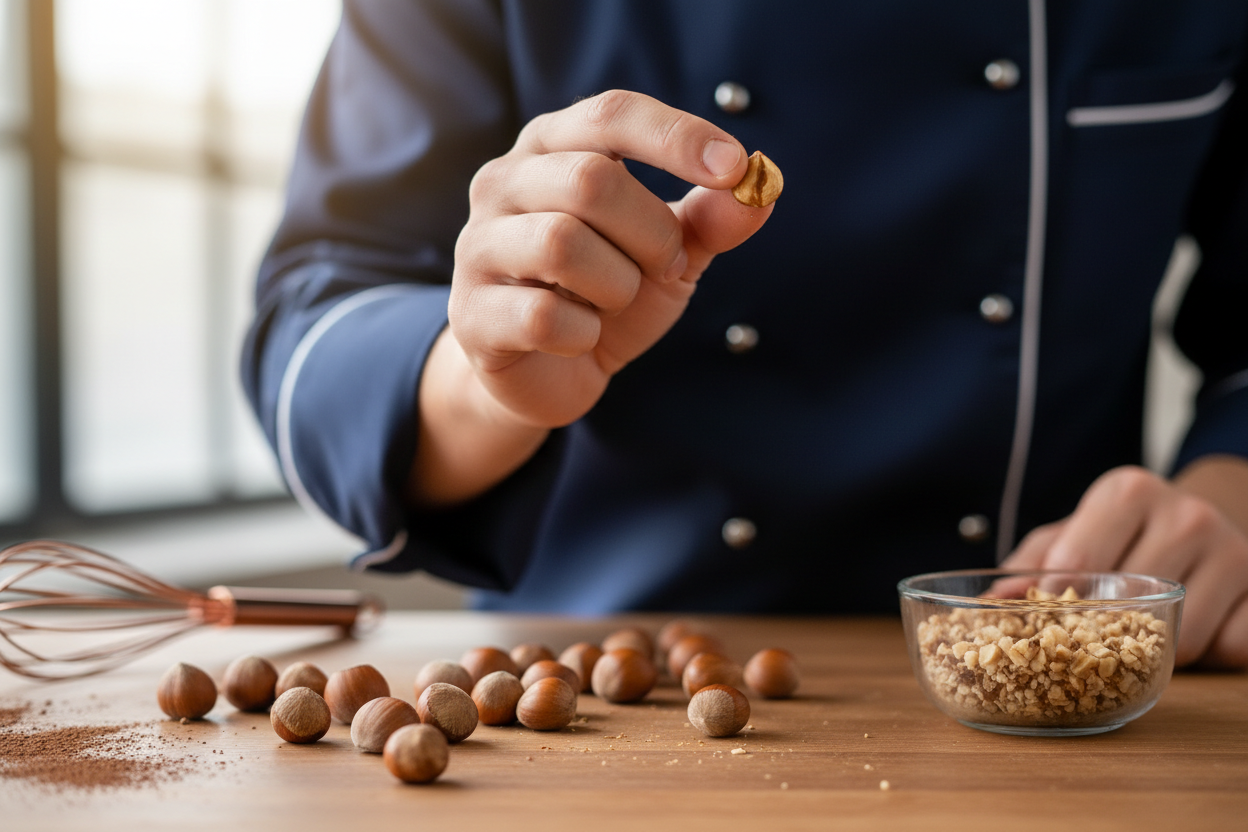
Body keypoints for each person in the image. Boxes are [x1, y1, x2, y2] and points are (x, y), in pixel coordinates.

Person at [242, 1, 1248, 668]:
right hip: (594, 687)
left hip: (1056, 662)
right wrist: (486, 371)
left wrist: (1227, 494)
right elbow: (315, 318)